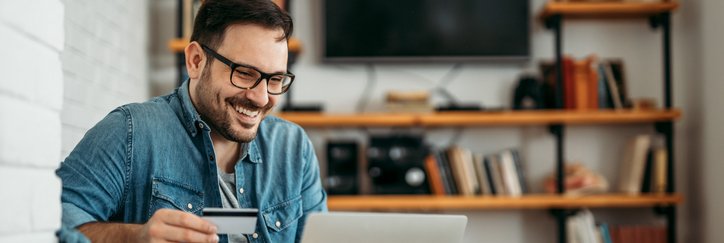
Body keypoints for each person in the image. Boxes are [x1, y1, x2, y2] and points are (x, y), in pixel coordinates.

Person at [55, 0, 327, 242]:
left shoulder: (294, 149)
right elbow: (51, 225)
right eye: (245, 73)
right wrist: (133, 237)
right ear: (196, 61)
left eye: (275, 79)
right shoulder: (129, 132)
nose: (261, 97)